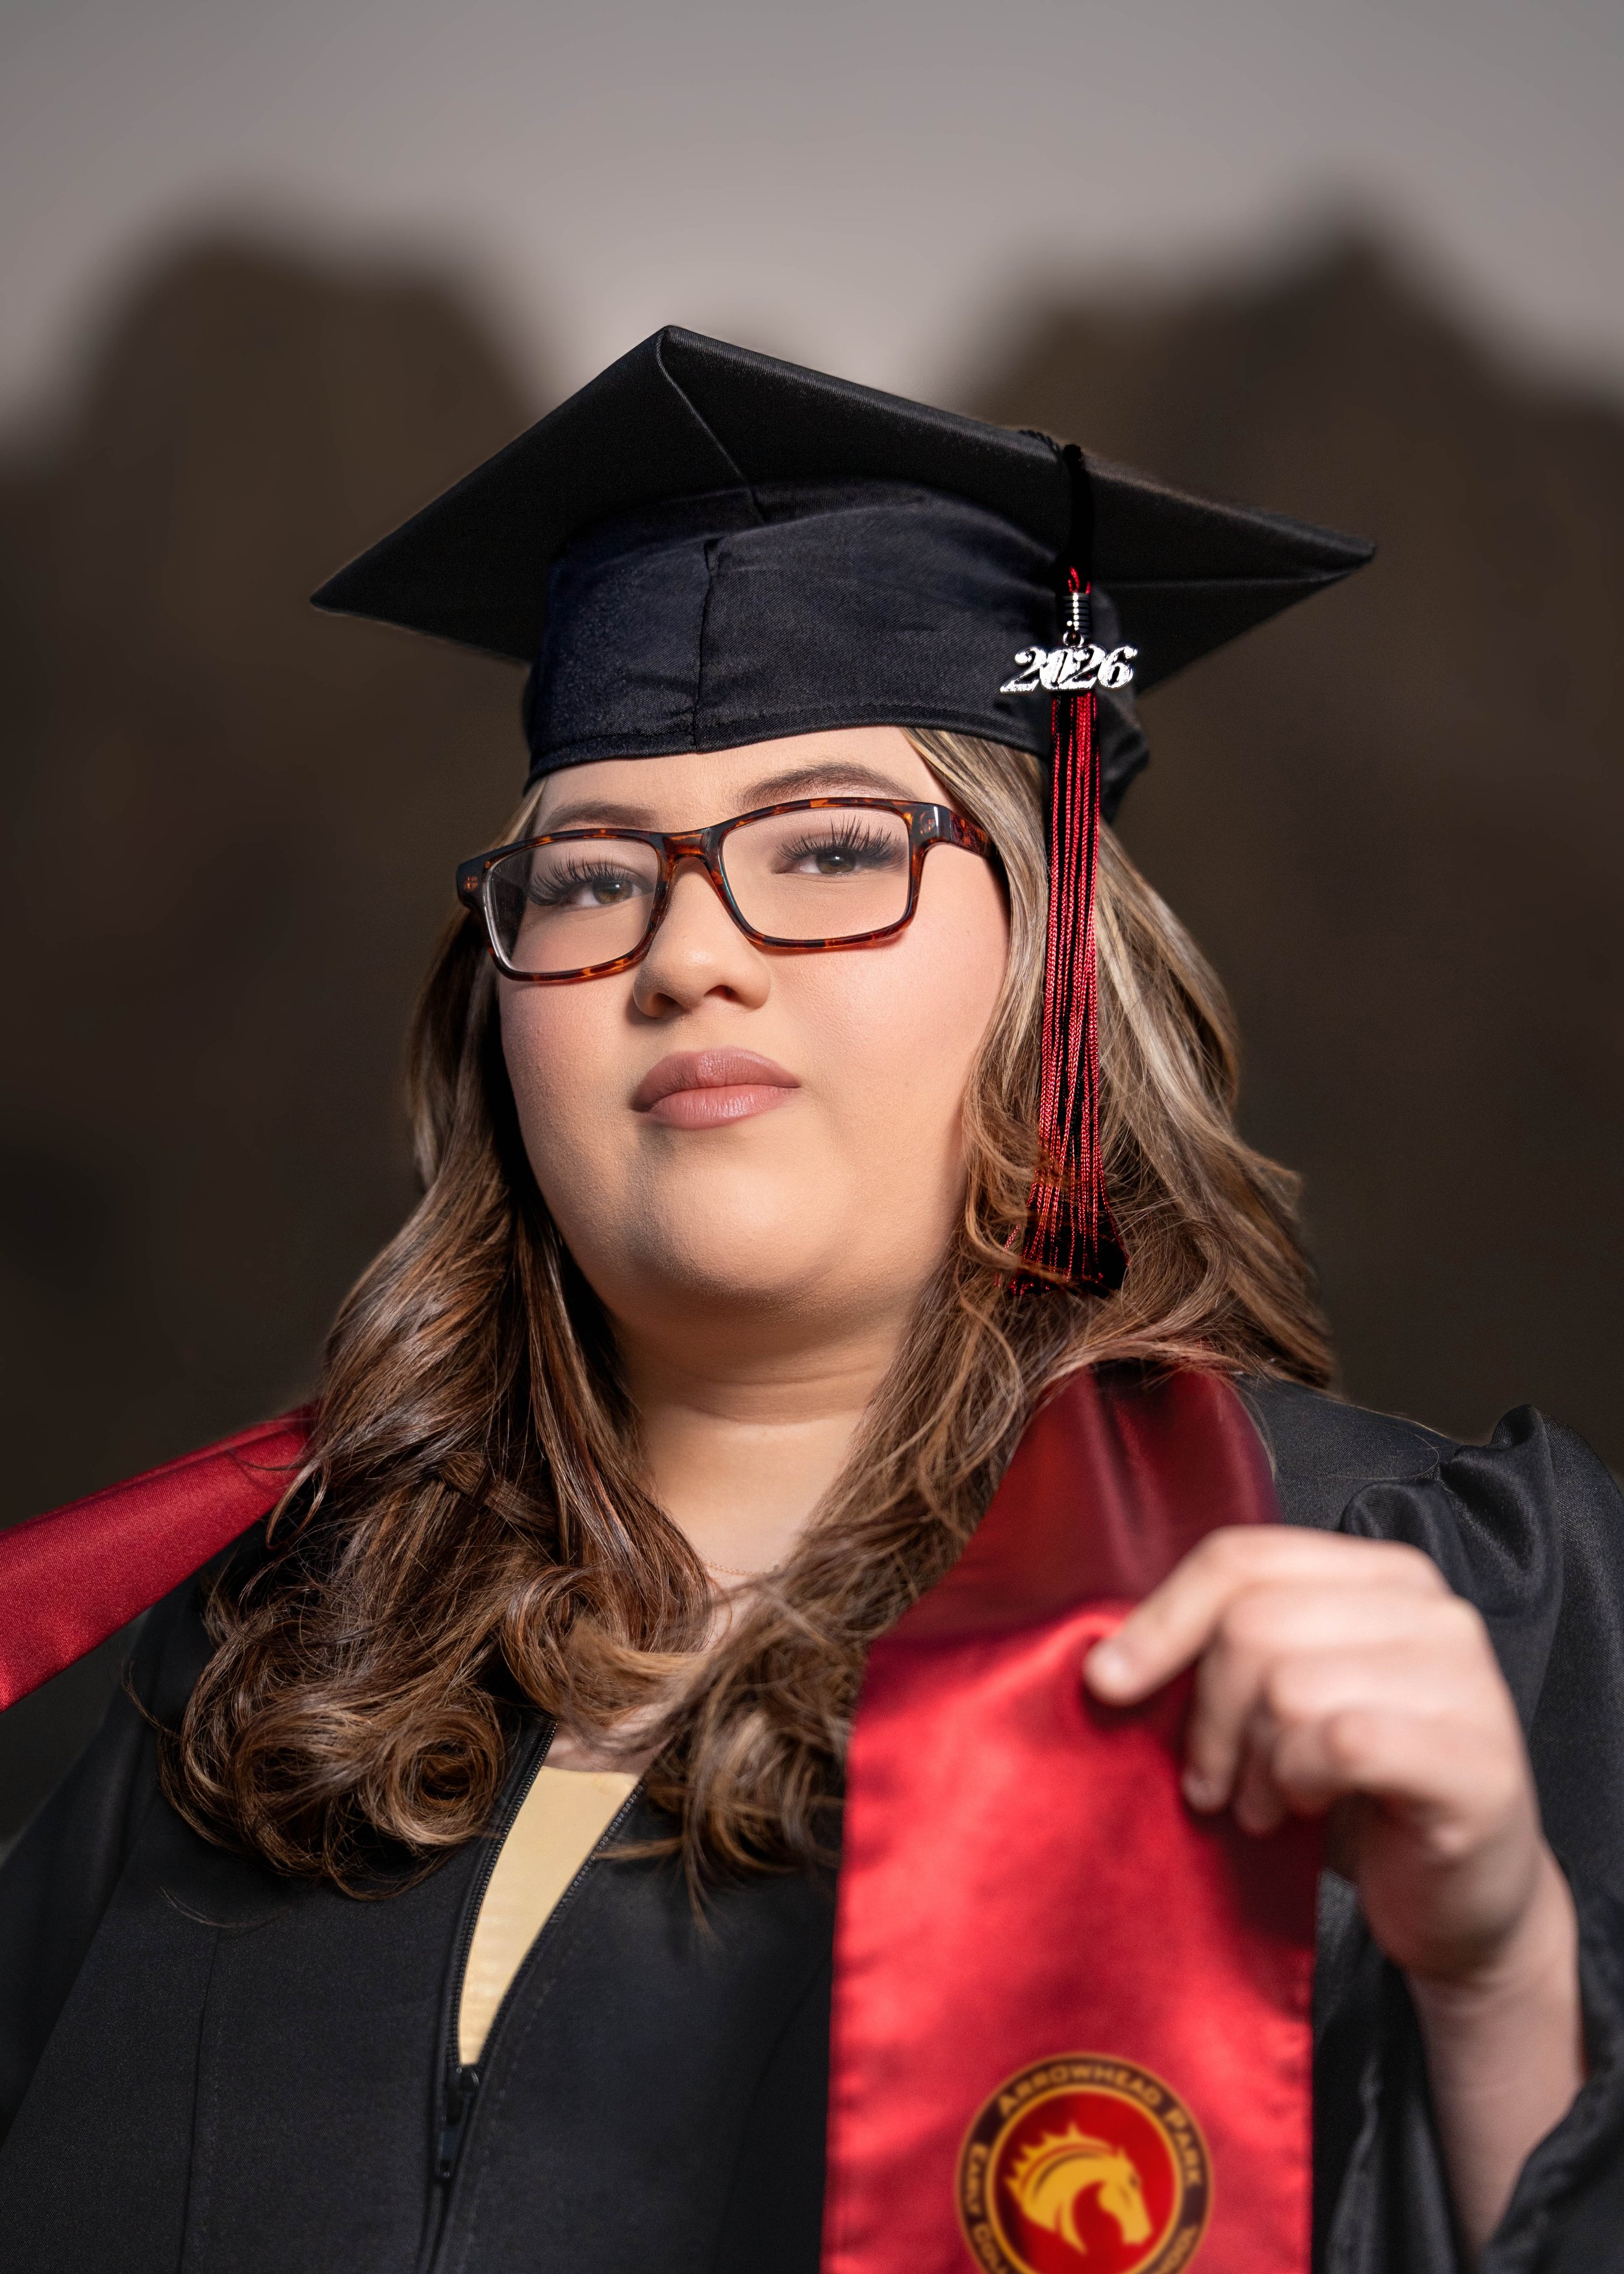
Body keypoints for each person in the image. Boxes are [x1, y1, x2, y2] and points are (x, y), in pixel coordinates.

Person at [0, 328, 1620, 2274]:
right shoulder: (255, 1677)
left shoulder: (1404, 1608)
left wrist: (1502, 1977)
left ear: (1055, 964)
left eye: (835, 846)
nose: (688, 952)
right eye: (590, 878)